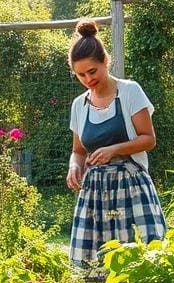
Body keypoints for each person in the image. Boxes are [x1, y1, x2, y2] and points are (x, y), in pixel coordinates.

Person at [66, 19, 166, 267]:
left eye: (93, 71)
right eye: (81, 74)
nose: (88, 78)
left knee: (142, 258)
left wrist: (114, 150)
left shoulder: (130, 91)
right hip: (95, 191)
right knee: (93, 263)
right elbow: (78, 151)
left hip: (130, 184)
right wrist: (74, 167)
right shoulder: (80, 105)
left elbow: (148, 139)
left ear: (105, 62)